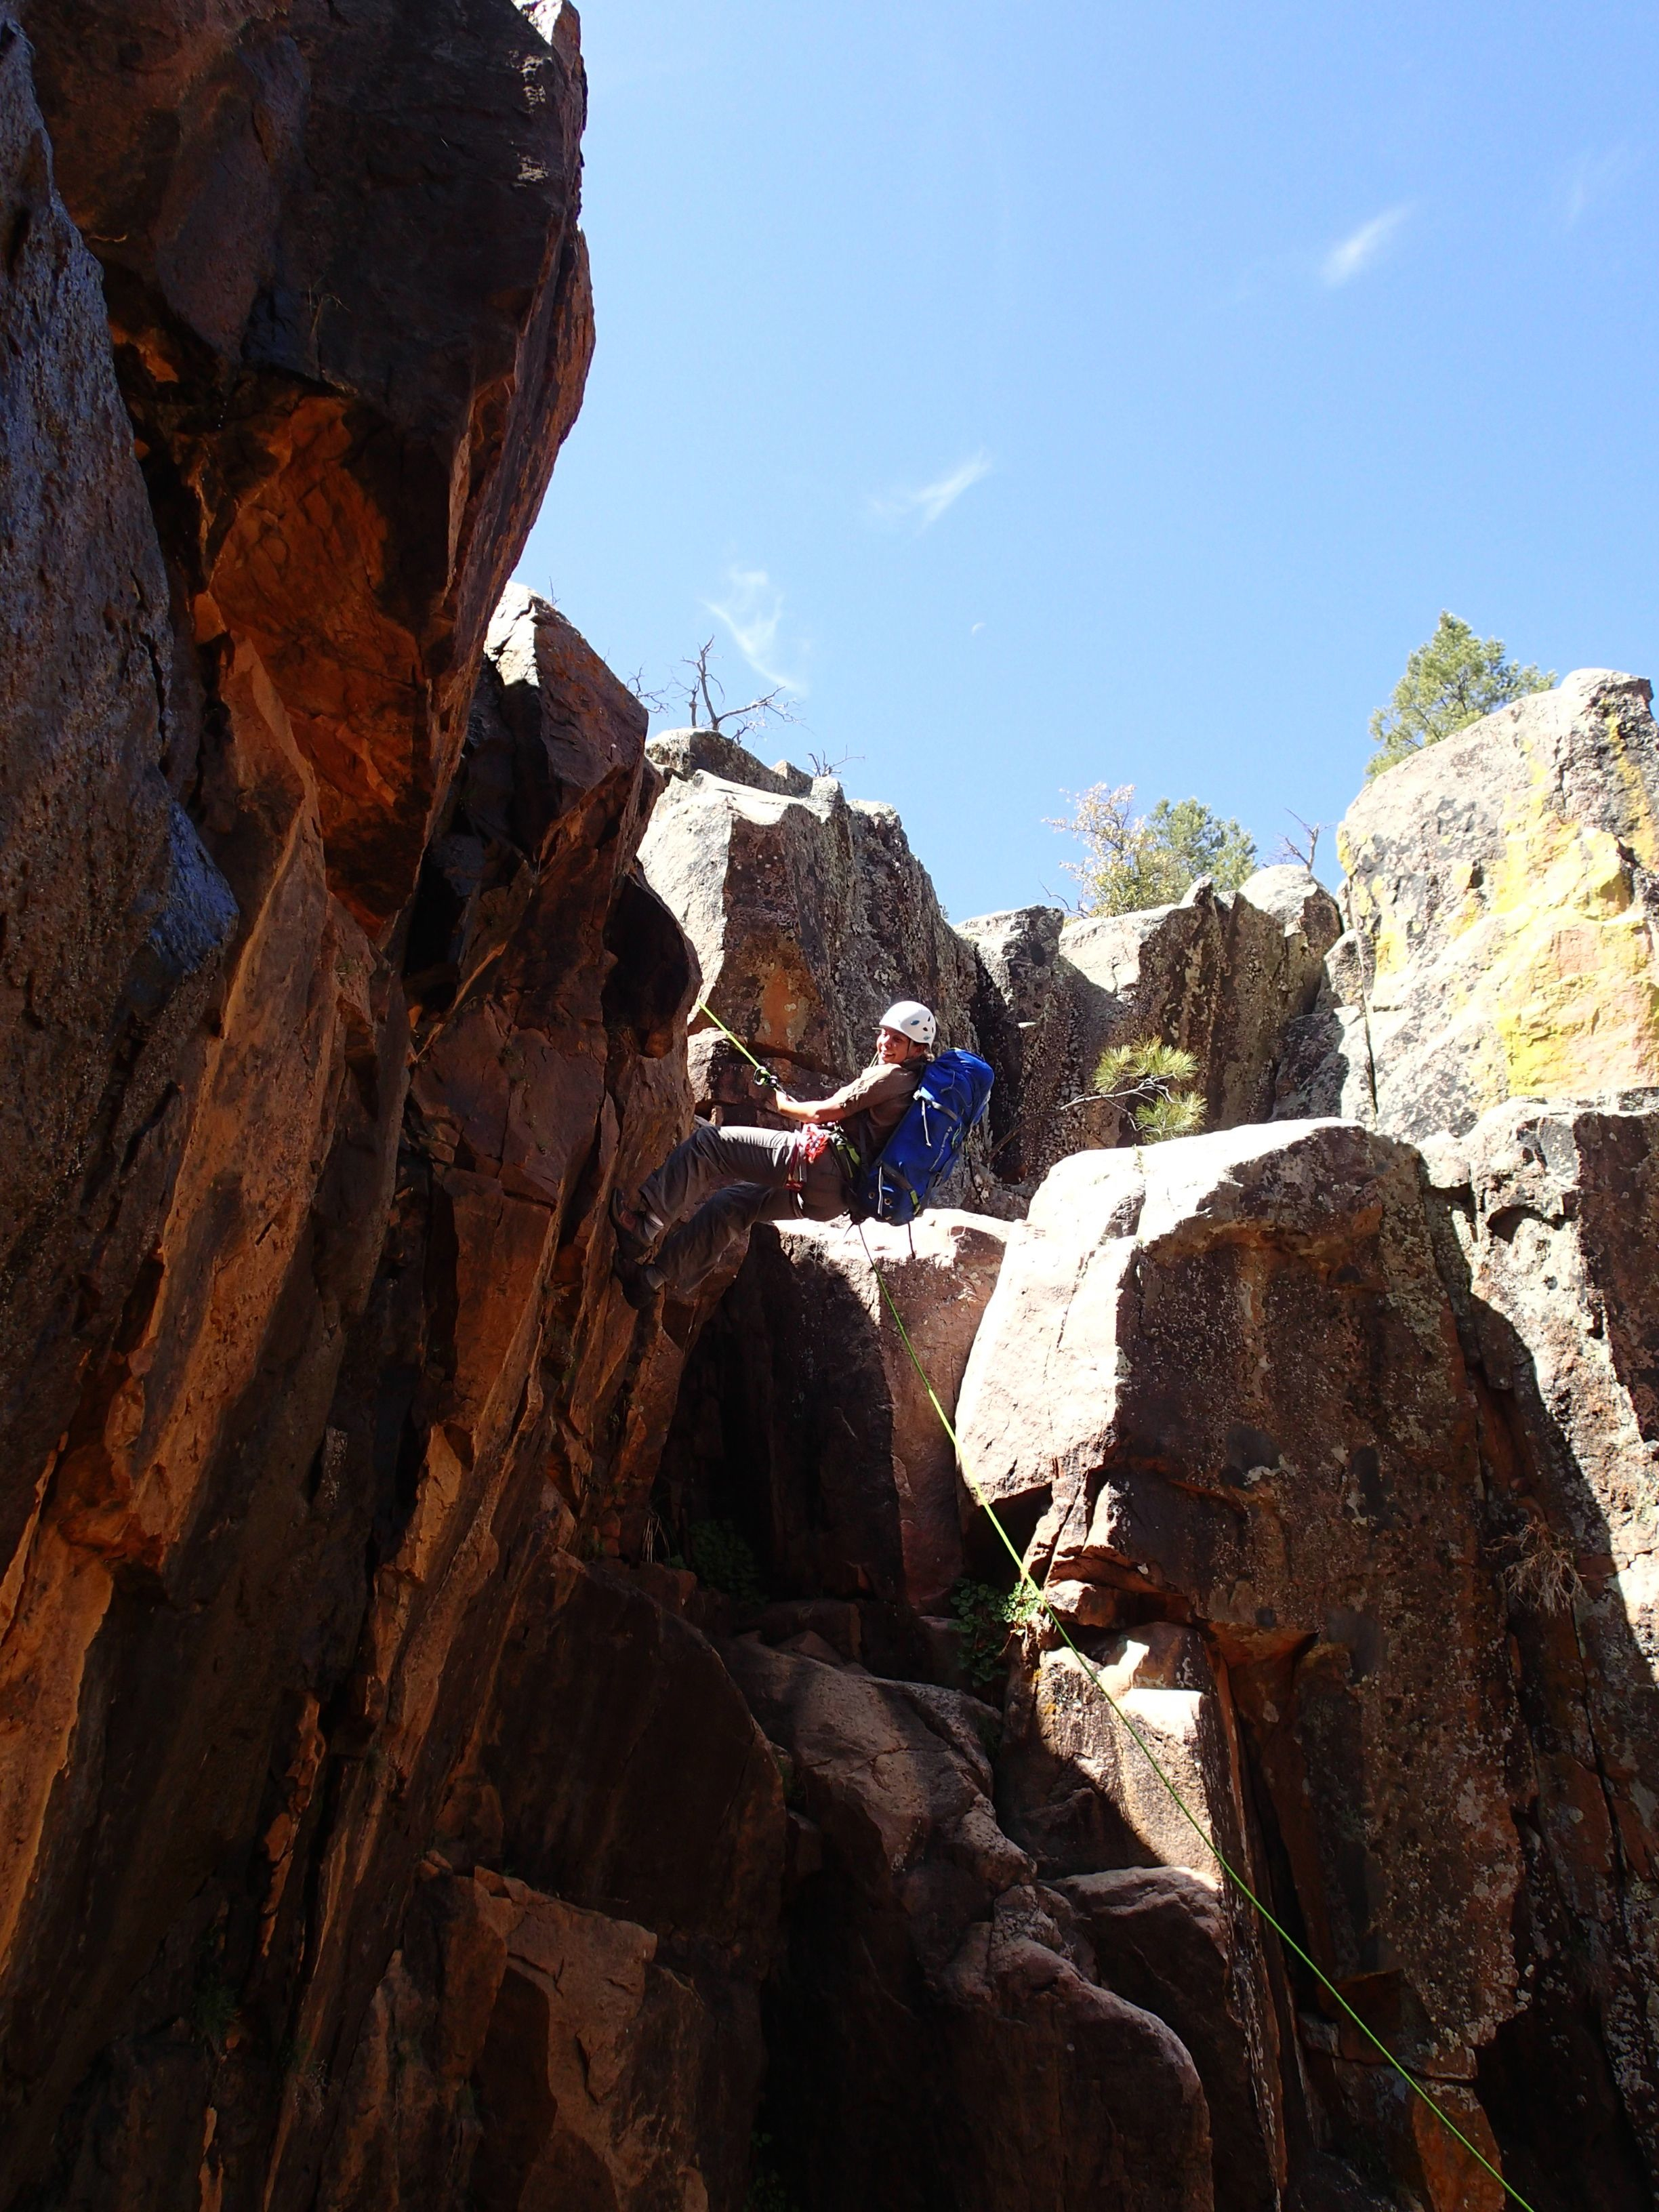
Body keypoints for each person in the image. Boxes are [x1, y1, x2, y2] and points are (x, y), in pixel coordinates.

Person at [610, 1000, 938, 1303]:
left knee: (710, 1146)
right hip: (834, 1199)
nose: (885, 1043)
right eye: (884, 1034)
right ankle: (648, 1282)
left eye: (897, 1039)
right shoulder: (916, 1089)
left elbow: (822, 1113)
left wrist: (779, 1101)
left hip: (817, 1165)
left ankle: (645, 1228)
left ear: (918, 1048)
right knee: (732, 1206)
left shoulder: (891, 1076)